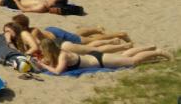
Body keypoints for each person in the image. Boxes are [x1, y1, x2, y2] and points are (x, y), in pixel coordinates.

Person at [33, 35, 168, 74]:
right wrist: (42, 63)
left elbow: (57, 71)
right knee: (126, 56)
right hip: (95, 57)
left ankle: (158, 52)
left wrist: (44, 66)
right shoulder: (57, 54)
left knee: (132, 61)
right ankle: (149, 47)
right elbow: (50, 62)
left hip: (101, 60)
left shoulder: (63, 55)